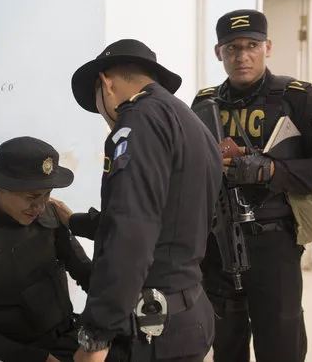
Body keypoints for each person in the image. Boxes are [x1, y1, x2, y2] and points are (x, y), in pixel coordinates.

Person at [190, 9, 312, 362]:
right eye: (232, 48)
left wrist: (270, 171)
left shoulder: (298, 98)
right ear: (219, 52)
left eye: (251, 46)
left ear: (268, 47)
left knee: (280, 339)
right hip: (217, 241)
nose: (242, 56)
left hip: (275, 240)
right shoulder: (205, 103)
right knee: (226, 341)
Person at [50, 39, 223, 362]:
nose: (106, 118)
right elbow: (166, 215)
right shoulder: (189, 122)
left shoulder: (138, 122)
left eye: (98, 104)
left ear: (106, 83)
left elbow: (130, 231)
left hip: (151, 329)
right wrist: (75, 221)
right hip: (189, 310)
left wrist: (96, 336)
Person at [0, 136, 92, 362]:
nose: (40, 207)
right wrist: (39, 358)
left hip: (70, 336)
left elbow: (83, 270)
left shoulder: (51, 216)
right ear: (2, 188)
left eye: (47, 195)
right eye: (31, 197)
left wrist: (113, 311)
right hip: (24, 353)